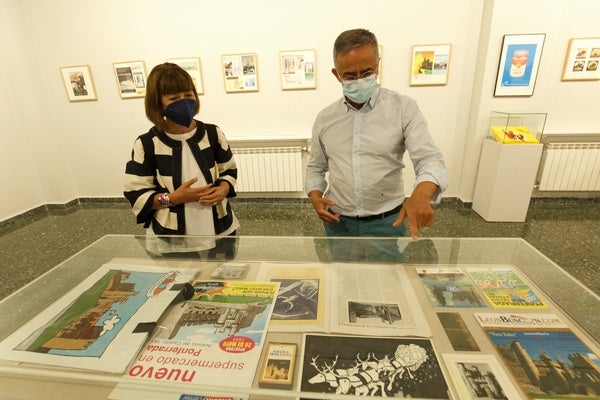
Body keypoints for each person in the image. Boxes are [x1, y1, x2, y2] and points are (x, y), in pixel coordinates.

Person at [305, 28, 448, 258]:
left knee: (388, 285)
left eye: (367, 72)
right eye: (350, 75)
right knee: (344, 282)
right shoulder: (324, 119)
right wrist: (315, 196)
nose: (359, 80)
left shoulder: (402, 108)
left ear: (378, 66)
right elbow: (315, 167)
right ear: (336, 74)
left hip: (387, 222)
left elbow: (429, 158)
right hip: (338, 223)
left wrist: (421, 193)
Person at [124, 62, 239, 256]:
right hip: (173, 238)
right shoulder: (147, 144)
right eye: (174, 98)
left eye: (188, 95)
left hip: (220, 227)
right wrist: (173, 199)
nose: (184, 102)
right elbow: (136, 193)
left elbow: (229, 170)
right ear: (157, 102)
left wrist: (223, 188)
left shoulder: (212, 133)